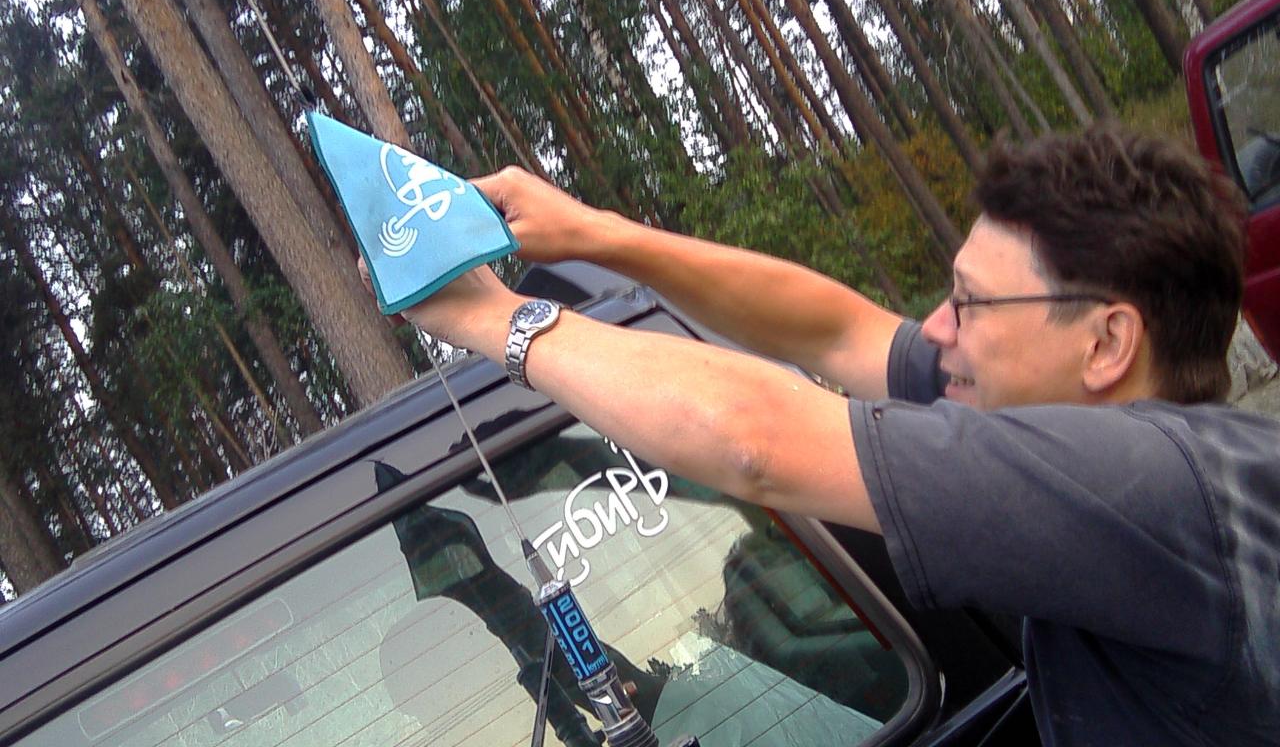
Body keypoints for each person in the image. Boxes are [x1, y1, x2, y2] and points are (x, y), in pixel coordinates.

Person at [386, 125, 1279, 746]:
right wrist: (598, 235)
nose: (935, 328)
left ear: (1107, 344)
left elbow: (757, 441)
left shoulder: (1154, 491)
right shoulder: (1149, 456)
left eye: (971, 304)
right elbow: (838, 331)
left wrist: (491, 319)